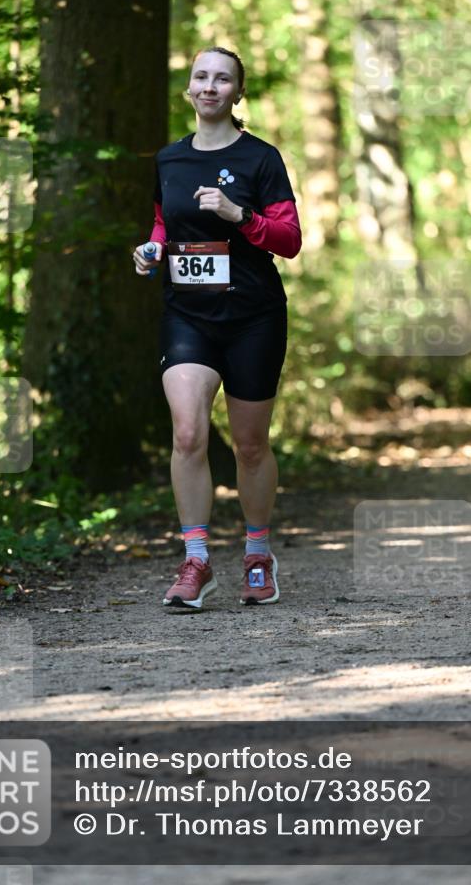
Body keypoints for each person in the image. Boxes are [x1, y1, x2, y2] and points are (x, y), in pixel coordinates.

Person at [132, 46, 301, 610]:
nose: (210, 86)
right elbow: (164, 220)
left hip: (253, 316)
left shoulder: (261, 158)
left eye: (222, 78)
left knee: (250, 446)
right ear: (189, 89)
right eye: (201, 77)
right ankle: (197, 559)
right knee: (187, 433)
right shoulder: (169, 159)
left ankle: (257, 553)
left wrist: (240, 217)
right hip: (187, 313)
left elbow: (290, 240)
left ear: (237, 91)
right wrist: (152, 248)